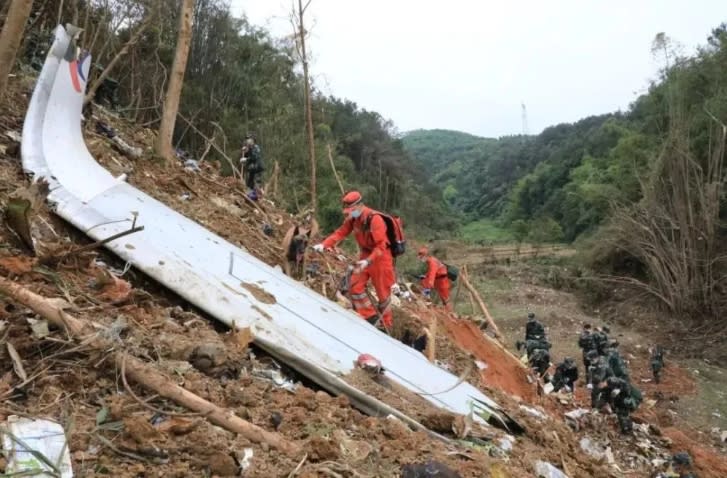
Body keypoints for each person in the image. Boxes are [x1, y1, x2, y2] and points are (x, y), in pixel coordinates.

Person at [312, 191, 396, 330]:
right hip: (365, 255)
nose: (349, 213)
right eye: (348, 211)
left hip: (380, 257)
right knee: (355, 285)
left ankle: (386, 326)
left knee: (383, 294)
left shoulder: (375, 220)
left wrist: (368, 261)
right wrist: (324, 244)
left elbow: (381, 246)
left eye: (352, 210)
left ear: (360, 205)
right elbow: (340, 232)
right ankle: (370, 317)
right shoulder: (353, 219)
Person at [240, 133, 264, 200]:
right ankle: (250, 196)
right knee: (250, 182)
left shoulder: (256, 147)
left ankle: (258, 196)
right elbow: (249, 156)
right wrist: (246, 151)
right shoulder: (250, 148)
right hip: (252, 169)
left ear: (253, 140)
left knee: (256, 182)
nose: (247, 141)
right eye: (247, 139)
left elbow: (254, 157)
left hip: (257, 168)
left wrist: (246, 159)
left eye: (249, 139)